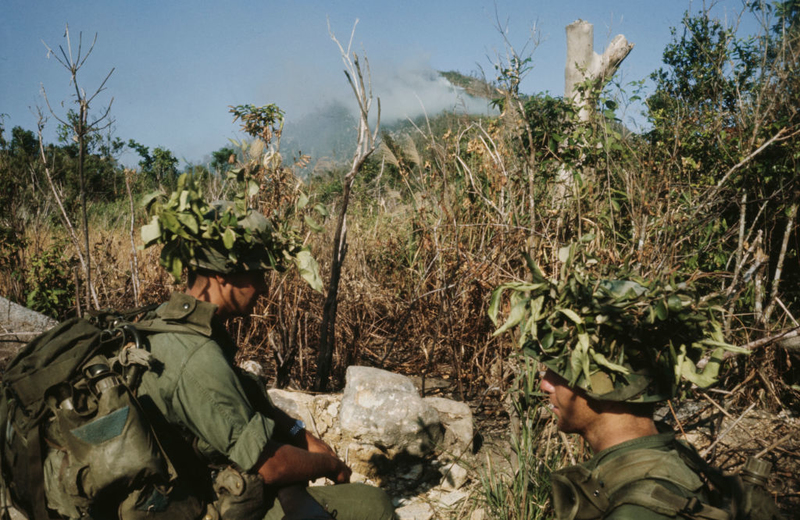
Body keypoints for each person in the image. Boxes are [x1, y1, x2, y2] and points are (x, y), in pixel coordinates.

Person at [135, 197, 395, 520]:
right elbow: (269, 465)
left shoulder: (171, 319)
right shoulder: (198, 359)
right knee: (375, 506)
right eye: (255, 273)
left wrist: (300, 432)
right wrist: (330, 465)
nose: (263, 287)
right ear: (221, 276)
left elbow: (243, 398)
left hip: (193, 484)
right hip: (202, 505)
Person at [490, 254, 783, 520]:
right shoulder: (672, 454)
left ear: (603, 387)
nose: (544, 384)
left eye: (560, 373)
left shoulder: (639, 509)